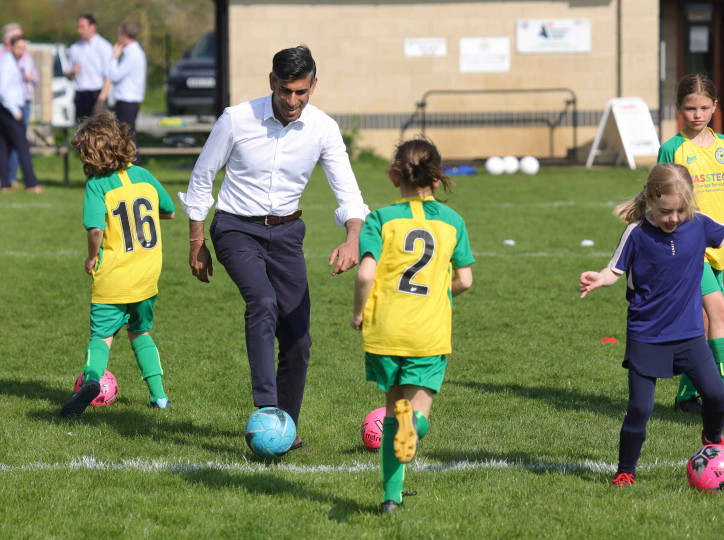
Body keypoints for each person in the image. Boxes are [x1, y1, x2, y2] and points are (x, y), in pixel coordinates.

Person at [179, 45, 370, 450]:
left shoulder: (323, 129)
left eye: (302, 91)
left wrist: (353, 237)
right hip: (235, 230)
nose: (293, 100)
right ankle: (266, 411)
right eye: (286, 91)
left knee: (299, 338)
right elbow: (202, 177)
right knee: (263, 301)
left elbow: (349, 195)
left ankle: (287, 428)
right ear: (272, 83)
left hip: (287, 236)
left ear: (314, 86)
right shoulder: (236, 119)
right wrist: (197, 239)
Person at [579, 163, 724, 486]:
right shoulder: (636, 233)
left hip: (689, 335)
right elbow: (613, 271)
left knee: (717, 398)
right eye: (665, 212)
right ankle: (625, 471)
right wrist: (598, 279)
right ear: (648, 198)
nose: (673, 218)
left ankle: (712, 438)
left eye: (679, 210)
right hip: (647, 336)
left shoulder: (698, 224)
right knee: (640, 409)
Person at [350, 138, 474, 513]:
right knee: (412, 416)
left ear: (393, 176)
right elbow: (465, 280)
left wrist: (358, 313)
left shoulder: (381, 219)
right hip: (427, 331)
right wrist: (441, 291)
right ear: (437, 180)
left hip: (384, 329)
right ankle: (414, 423)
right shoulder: (453, 222)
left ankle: (392, 498)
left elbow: (365, 274)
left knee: (391, 413)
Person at [60, 111, 175, 417]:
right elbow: (170, 210)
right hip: (147, 277)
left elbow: (96, 229)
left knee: (101, 337)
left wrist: (92, 255)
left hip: (114, 277)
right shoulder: (144, 175)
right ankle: (159, 396)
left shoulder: (98, 185)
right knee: (140, 333)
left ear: (88, 153)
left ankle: (93, 380)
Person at [657, 74, 724, 415]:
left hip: (718, 248)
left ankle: (687, 396)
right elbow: (661, 198)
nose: (697, 115)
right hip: (685, 249)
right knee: (719, 313)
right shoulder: (673, 148)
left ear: (715, 106)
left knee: (700, 324)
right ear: (679, 109)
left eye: (703, 108)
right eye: (689, 108)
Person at [0, 33, 42, 193]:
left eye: (23, 48)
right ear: (10, 46)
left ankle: (5, 184)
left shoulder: (14, 61)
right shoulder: (7, 63)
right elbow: (2, 90)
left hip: (8, 109)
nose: (21, 51)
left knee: (4, 146)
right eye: (18, 48)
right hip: (9, 110)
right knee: (22, 145)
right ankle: (31, 183)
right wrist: (15, 110)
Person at [110, 23, 146, 165]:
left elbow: (115, 75)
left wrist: (114, 58)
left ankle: (136, 168)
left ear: (124, 36)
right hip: (127, 101)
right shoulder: (134, 53)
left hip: (127, 102)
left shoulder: (132, 54)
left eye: (119, 35)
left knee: (127, 139)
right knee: (125, 138)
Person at [66, 14, 112, 122]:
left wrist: (101, 99)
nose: (79, 30)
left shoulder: (104, 47)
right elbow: (68, 75)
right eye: (78, 27)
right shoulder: (74, 48)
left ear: (93, 27)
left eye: (82, 27)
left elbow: (109, 76)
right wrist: (72, 72)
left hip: (96, 95)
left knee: (99, 134)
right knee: (81, 133)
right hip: (80, 96)